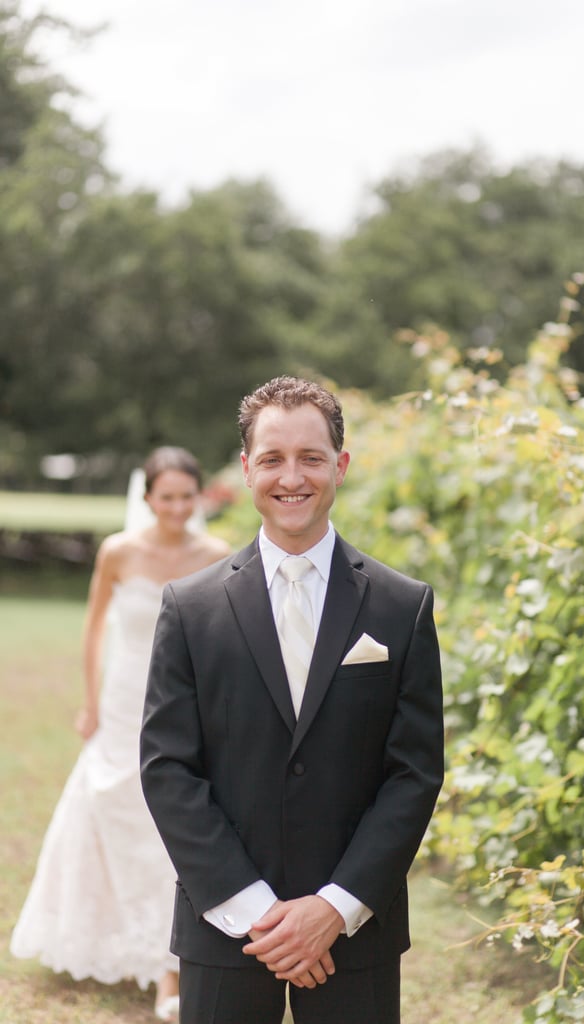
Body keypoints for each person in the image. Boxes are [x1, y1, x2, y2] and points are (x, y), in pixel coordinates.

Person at [140, 377, 444, 1024]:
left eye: (310, 457)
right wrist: (259, 913)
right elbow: (168, 770)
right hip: (225, 925)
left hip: (354, 934)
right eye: (272, 459)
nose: (291, 476)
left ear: (340, 464)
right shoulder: (189, 609)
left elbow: (413, 773)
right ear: (247, 470)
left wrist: (334, 907)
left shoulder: (402, 606)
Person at [11, 447, 230, 1022]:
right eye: (167, 497)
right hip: (122, 699)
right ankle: (109, 937)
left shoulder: (218, 556)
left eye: (187, 496)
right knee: (107, 811)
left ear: (198, 497)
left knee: (172, 828)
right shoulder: (118, 551)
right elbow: (92, 630)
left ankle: (171, 966)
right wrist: (89, 701)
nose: (178, 507)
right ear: (147, 497)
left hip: (186, 705)